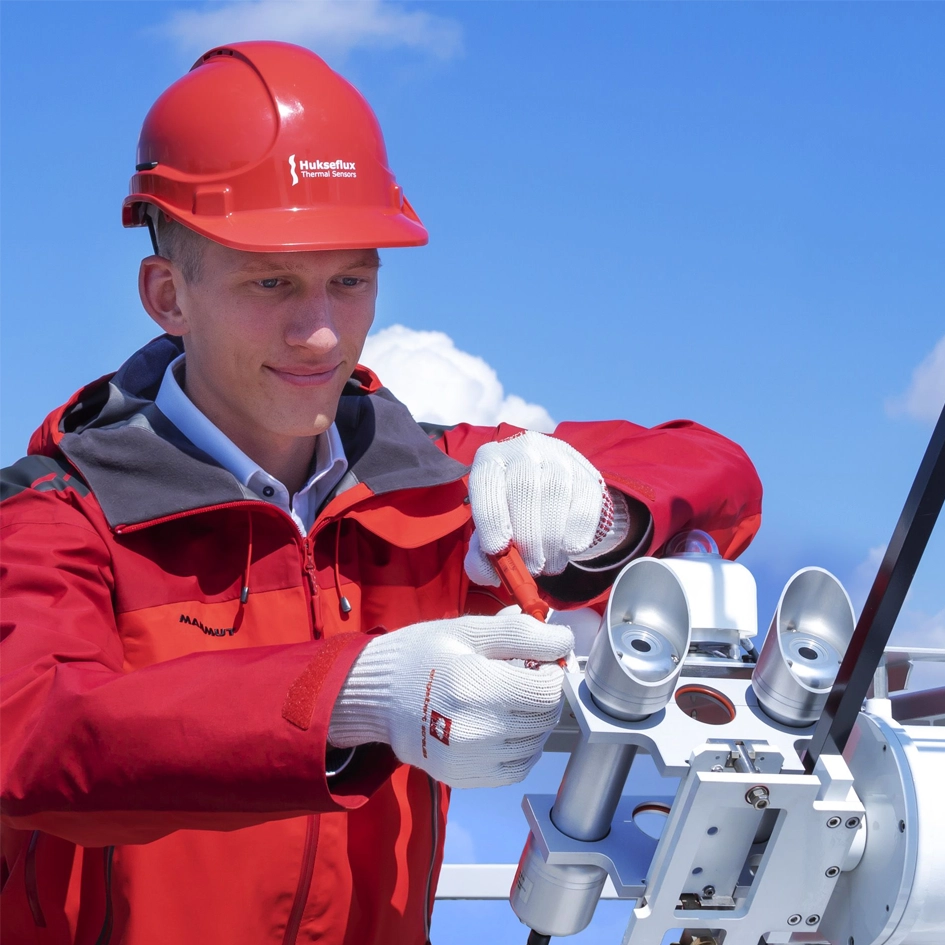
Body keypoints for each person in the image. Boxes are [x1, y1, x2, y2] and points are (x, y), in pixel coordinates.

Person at [0, 41, 762, 945]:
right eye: (270, 281)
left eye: (350, 280)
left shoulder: (433, 483)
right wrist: (351, 695)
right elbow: (34, 737)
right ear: (168, 295)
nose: (320, 333)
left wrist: (602, 517)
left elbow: (714, 468)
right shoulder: (61, 513)